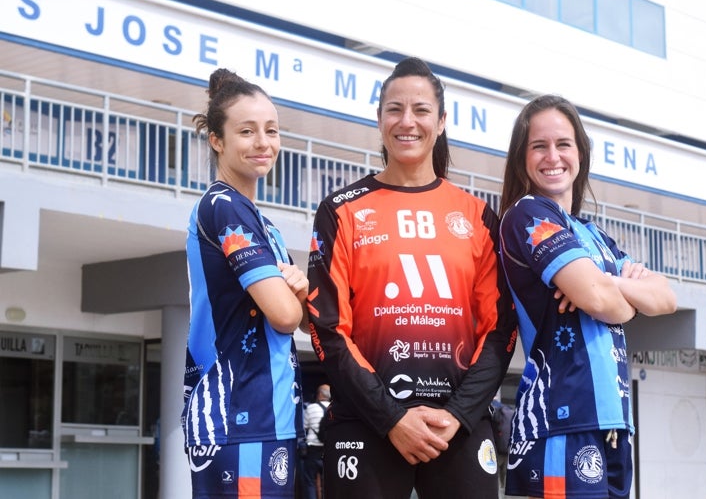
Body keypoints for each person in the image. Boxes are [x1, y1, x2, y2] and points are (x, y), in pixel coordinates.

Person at [306, 56, 517, 499]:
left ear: (441, 122)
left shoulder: (477, 216)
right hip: (366, 425)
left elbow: (499, 331)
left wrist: (457, 414)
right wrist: (392, 418)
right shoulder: (341, 210)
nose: (407, 122)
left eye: (421, 110)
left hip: (456, 426)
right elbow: (327, 330)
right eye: (394, 109)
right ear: (379, 118)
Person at [498, 94, 677, 499]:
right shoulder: (527, 215)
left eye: (563, 144)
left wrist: (606, 284)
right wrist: (611, 290)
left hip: (614, 424)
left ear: (580, 152)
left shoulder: (593, 236)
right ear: (521, 158)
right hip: (559, 423)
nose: (552, 156)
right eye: (538, 146)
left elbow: (665, 297)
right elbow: (601, 301)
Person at [182, 68, 309, 499]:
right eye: (247, 131)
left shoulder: (263, 223)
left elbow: (305, 315)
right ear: (217, 140)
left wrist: (299, 291)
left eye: (271, 130)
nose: (263, 142)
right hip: (237, 417)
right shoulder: (223, 206)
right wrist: (295, 294)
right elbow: (286, 315)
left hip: (268, 418)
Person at [301, 384, 331, 499]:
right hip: (328, 449)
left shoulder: (311, 408)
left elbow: (305, 427)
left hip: (313, 448)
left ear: (319, 394)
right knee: (328, 482)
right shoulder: (333, 408)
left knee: (310, 481)